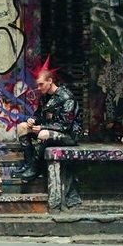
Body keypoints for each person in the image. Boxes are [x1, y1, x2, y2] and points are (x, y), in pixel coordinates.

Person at [16, 58, 82, 206]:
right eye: (38, 85)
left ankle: (35, 167)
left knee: (43, 134)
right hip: (51, 129)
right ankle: (29, 164)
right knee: (22, 127)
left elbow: (65, 125)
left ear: (50, 81)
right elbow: (39, 115)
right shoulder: (45, 97)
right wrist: (33, 120)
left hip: (69, 135)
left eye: (41, 84)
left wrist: (43, 128)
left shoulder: (66, 97)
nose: (38, 88)